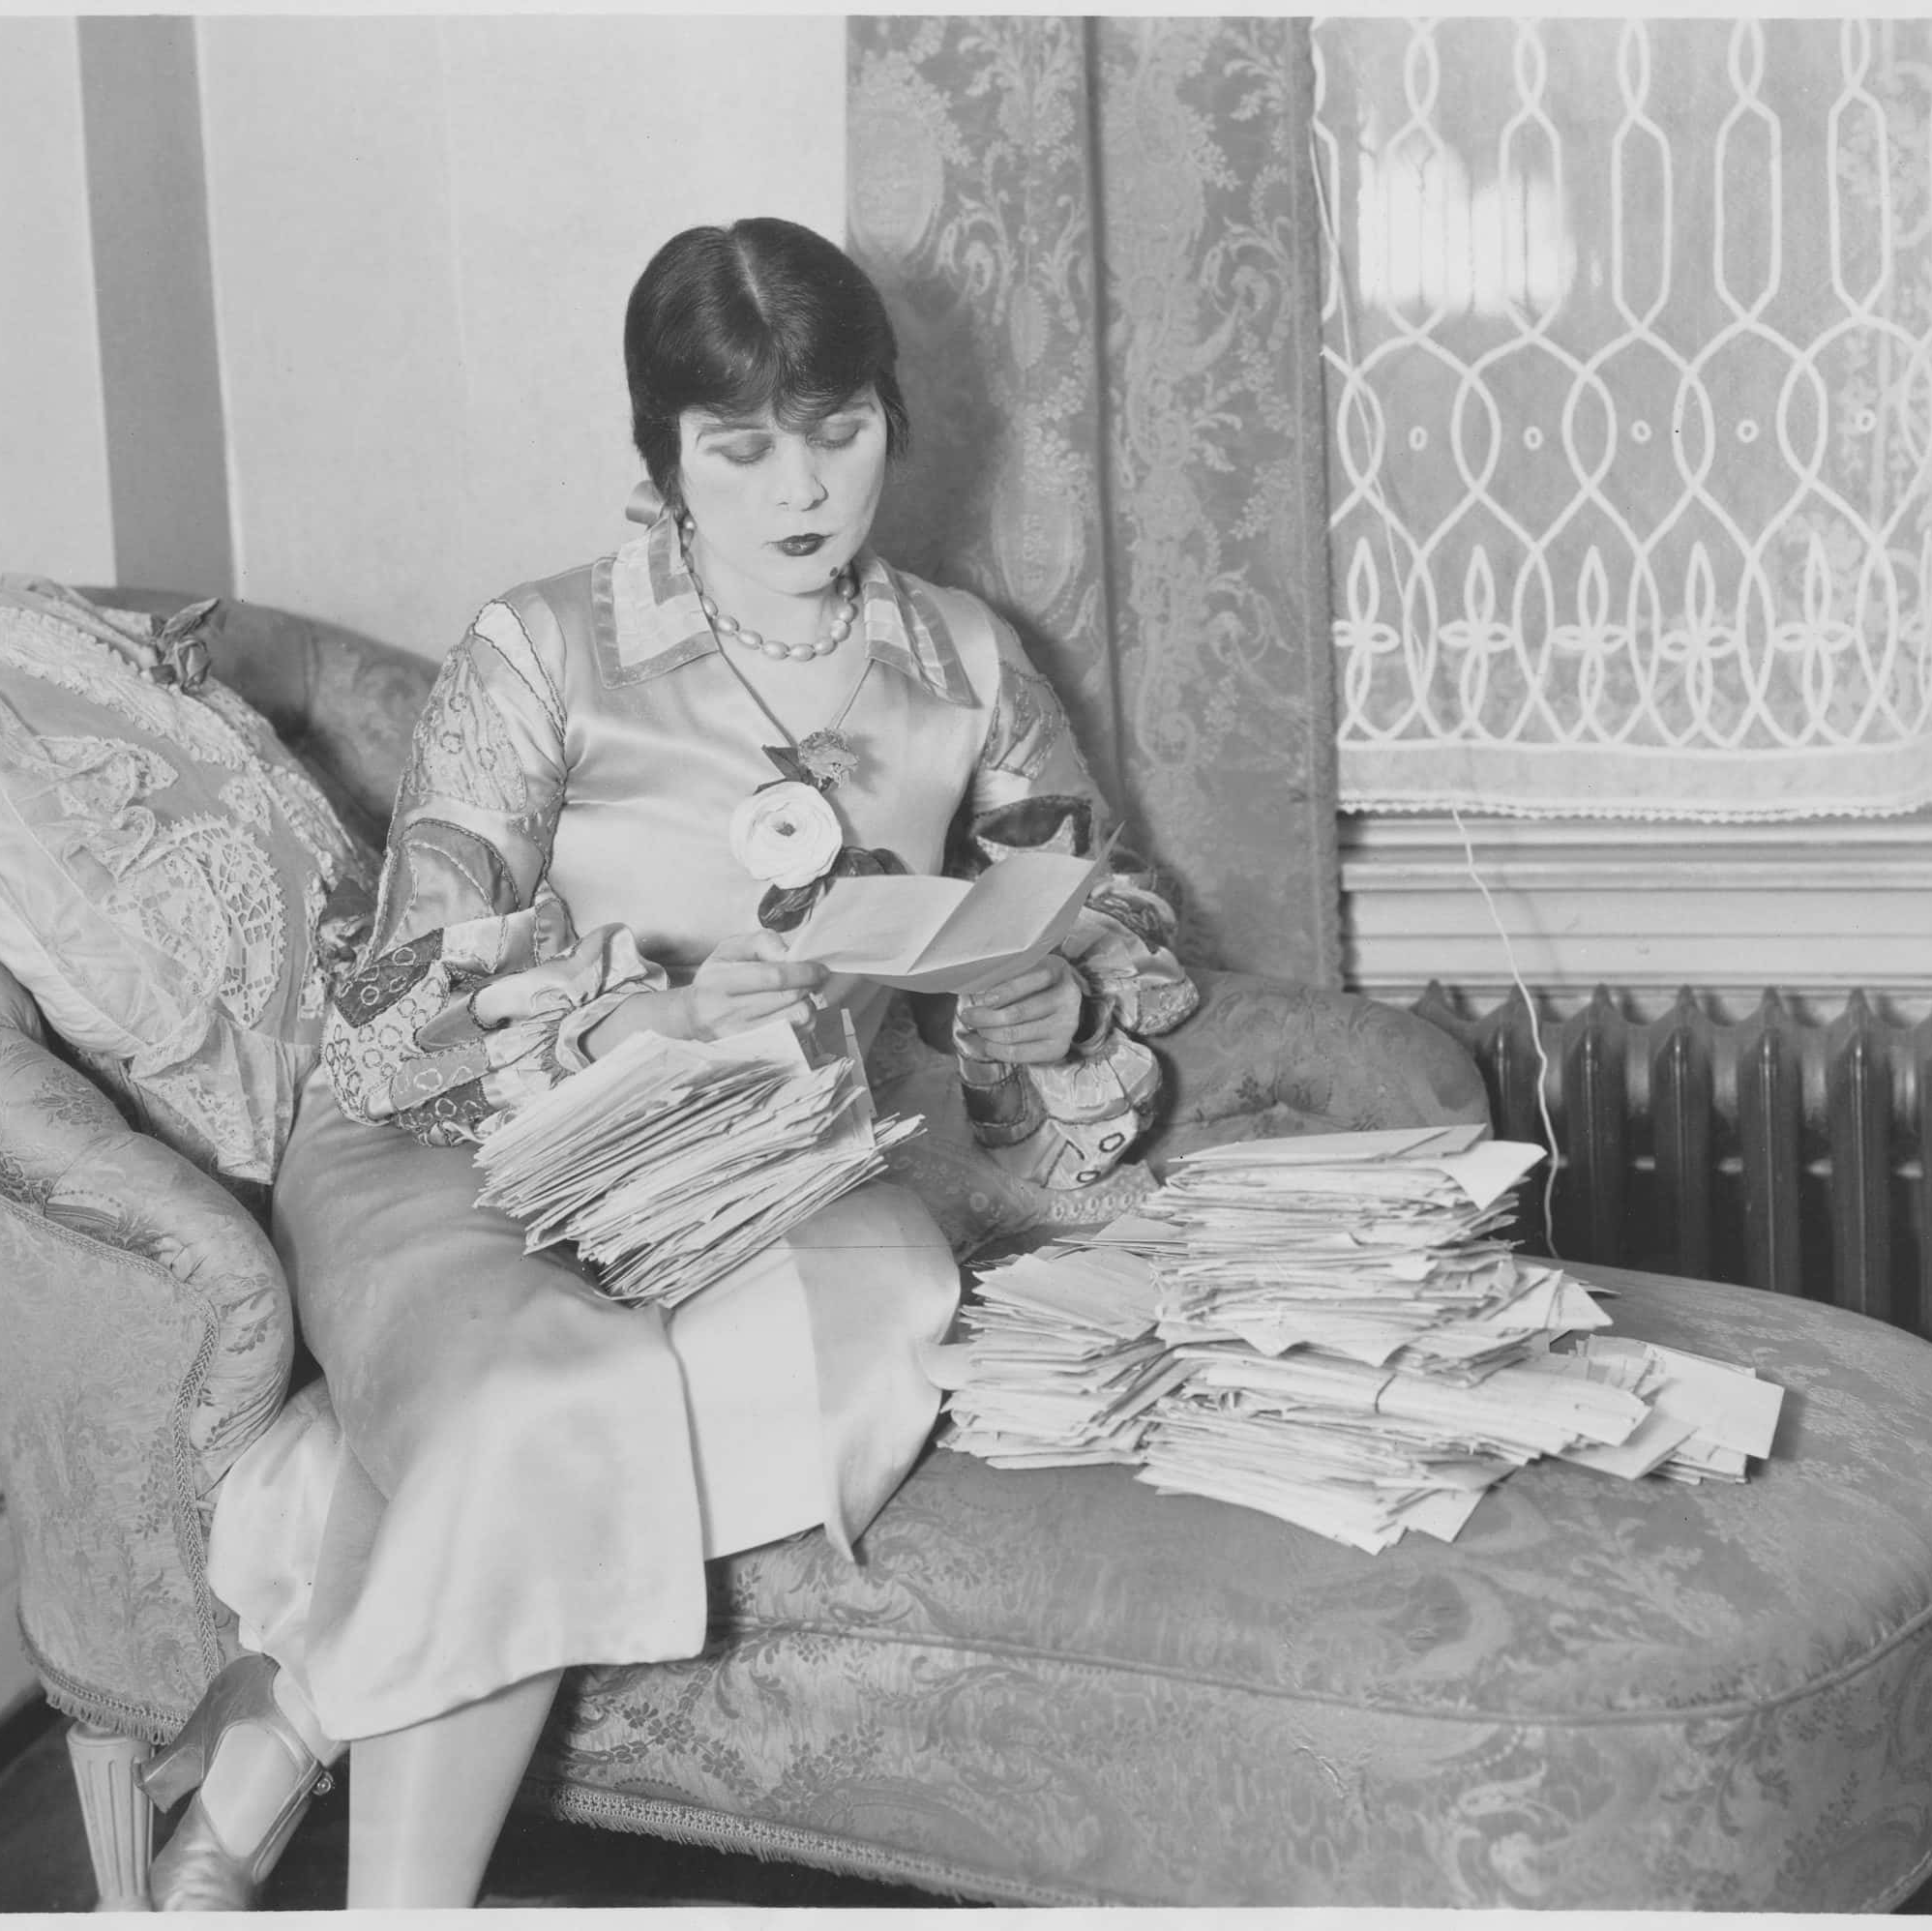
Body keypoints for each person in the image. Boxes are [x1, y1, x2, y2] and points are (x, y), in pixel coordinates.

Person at [138, 216, 1200, 1909]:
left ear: (891, 423)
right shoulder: (544, 645)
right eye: (742, 447)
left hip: (770, 1177)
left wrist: (1047, 1000)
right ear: (667, 452)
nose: (803, 492)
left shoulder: (965, 664)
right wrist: (627, 1012)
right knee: (558, 1395)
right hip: (468, 1146)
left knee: (886, 1314)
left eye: (839, 432)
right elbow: (410, 982)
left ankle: (299, 1705)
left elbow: (1090, 894)